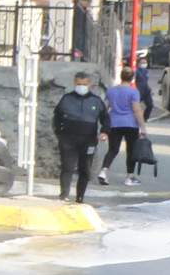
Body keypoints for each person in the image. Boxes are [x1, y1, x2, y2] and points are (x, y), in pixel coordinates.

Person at [52, 70, 107, 202]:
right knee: (68, 167)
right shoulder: (67, 99)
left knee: (85, 169)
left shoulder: (96, 101)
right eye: (78, 84)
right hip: (68, 140)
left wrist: (105, 131)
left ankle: (80, 197)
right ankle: (64, 194)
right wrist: (59, 133)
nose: (81, 86)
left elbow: (105, 118)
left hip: (88, 140)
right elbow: (57, 117)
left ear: (89, 84)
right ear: (74, 83)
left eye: (84, 84)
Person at [100, 66, 153, 184]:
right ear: (132, 78)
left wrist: (104, 126)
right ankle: (129, 177)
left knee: (113, 149)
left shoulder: (111, 91)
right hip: (131, 124)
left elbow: (106, 108)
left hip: (114, 124)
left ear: (121, 77)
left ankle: (103, 172)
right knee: (131, 151)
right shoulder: (134, 92)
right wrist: (143, 127)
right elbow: (137, 110)